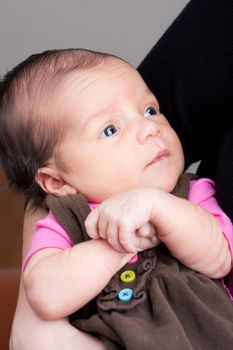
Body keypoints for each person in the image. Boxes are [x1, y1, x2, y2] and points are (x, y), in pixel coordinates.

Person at [7, 0, 233, 349]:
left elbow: (219, 257)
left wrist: (157, 207)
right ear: (57, 182)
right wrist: (115, 246)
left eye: (150, 109)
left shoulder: (193, 194)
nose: (149, 128)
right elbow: (46, 296)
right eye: (111, 129)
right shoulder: (66, 219)